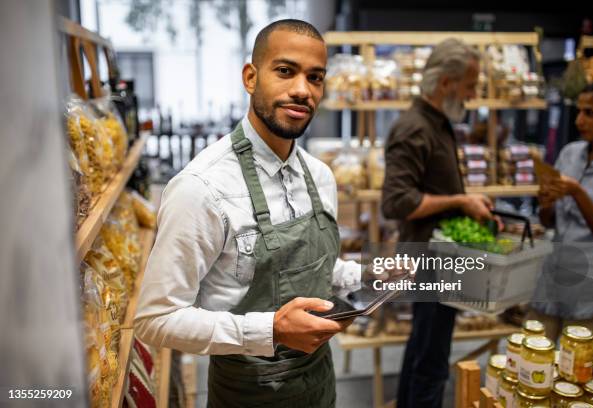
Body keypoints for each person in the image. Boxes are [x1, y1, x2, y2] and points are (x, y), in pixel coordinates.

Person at [135, 19, 363, 407]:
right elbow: (155, 320)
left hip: (320, 386)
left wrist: (367, 276)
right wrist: (270, 330)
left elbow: (315, 266)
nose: (301, 90)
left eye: (316, 77)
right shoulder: (202, 188)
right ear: (251, 77)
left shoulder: (321, 177)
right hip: (246, 395)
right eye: (286, 71)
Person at [381, 38, 494, 408]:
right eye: (470, 85)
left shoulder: (437, 123)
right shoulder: (415, 128)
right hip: (429, 260)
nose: (473, 94)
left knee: (423, 349)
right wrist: (461, 200)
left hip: (439, 257)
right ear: (446, 82)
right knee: (431, 362)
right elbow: (397, 202)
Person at [529, 80, 593, 340]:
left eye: (590, 113)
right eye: (579, 111)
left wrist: (577, 193)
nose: (579, 121)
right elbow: (550, 221)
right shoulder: (570, 153)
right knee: (530, 357)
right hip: (553, 276)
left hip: (592, 286)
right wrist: (546, 203)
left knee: (577, 371)